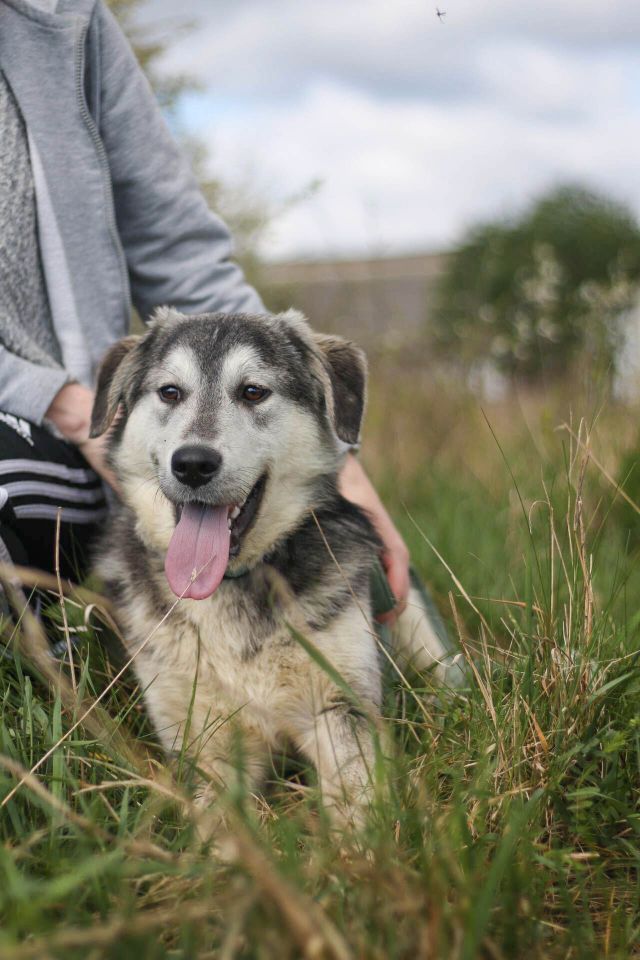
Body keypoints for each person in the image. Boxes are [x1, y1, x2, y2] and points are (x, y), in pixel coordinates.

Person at [0, 0, 409, 626]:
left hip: (80, 437)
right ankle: (49, 665)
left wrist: (341, 464)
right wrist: (65, 401)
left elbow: (178, 251)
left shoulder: (66, 18)